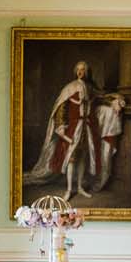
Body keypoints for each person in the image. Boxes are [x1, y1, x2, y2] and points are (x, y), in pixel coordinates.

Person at [24, 60, 100, 198]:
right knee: (71, 158)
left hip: (85, 128)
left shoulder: (90, 88)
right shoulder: (70, 87)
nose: (80, 72)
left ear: (87, 72)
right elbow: (61, 108)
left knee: (82, 157)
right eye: (78, 69)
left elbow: (101, 98)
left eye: (83, 69)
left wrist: (117, 100)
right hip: (73, 128)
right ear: (75, 71)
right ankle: (69, 189)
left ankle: (80, 187)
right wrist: (60, 126)